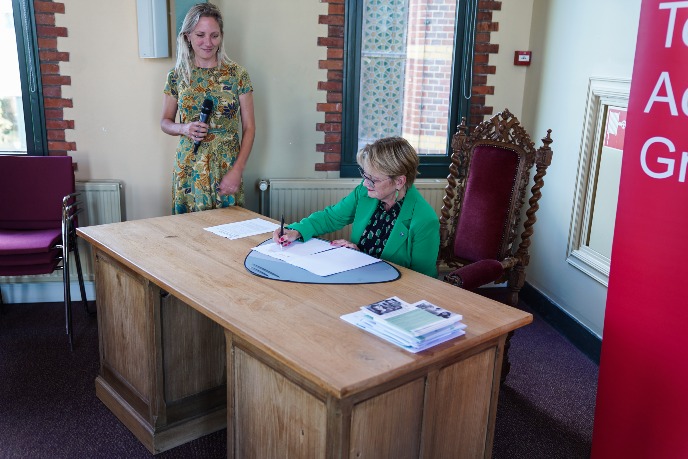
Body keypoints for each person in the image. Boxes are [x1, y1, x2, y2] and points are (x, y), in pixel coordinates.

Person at [273, 137, 440, 277]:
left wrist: (362, 257)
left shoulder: (424, 220)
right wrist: (296, 231)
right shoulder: (365, 191)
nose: (366, 183)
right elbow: (331, 217)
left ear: (399, 181)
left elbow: (423, 280)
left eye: (373, 179)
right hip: (356, 277)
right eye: (365, 175)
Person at [161, 2, 255, 214]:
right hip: (189, 166)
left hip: (227, 166)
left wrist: (238, 169)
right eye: (200, 35)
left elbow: (249, 128)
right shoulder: (177, 75)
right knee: (189, 235)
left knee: (229, 235)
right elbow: (165, 122)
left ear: (221, 36)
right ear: (188, 36)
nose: (208, 42)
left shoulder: (237, 75)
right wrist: (184, 128)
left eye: (214, 35)